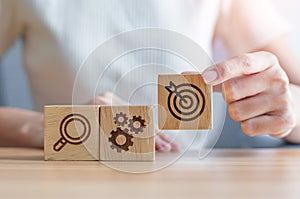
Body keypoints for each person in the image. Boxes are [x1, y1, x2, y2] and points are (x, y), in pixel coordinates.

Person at [0, 0, 299, 151]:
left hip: (191, 186)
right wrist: (50, 128)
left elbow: (291, 88)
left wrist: (289, 110)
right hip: (63, 182)